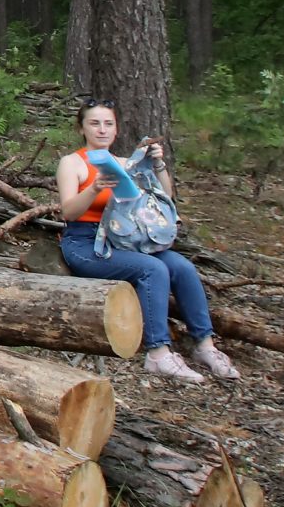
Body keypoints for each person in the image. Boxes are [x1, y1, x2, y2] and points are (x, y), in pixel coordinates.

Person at [54, 100, 237, 384]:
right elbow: (68, 211)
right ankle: (158, 353)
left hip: (123, 240)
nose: (102, 130)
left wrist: (158, 164)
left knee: (183, 268)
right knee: (153, 269)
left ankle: (205, 346)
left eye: (108, 124)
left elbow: (163, 197)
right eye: (94, 123)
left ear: (116, 129)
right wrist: (94, 189)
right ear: (82, 128)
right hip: (85, 243)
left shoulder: (125, 164)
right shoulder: (73, 163)